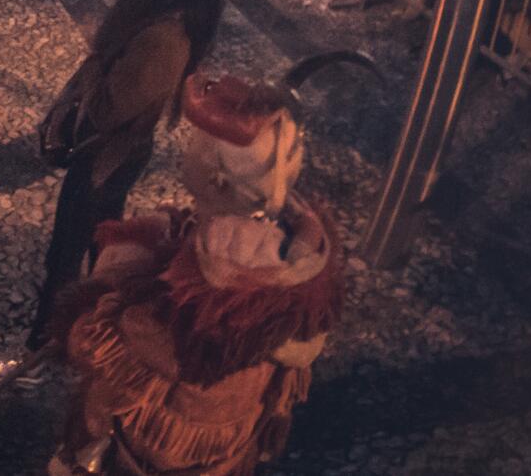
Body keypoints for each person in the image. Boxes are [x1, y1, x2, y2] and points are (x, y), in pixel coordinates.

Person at [0, 0, 238, 384]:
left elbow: (112, 107)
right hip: (111, 155)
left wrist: (76, 104)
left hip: (105, 159)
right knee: (93, 245)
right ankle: (90, 336)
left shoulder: (165, 40)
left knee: (66, 252)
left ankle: (39, 355)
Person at [47, 55, 369, 475]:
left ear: (216, 176)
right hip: (228, 448)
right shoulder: (295, 260)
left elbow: (107, 350)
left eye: (194, 148)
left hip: (160, 450)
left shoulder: (203, 296)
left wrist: (123, 260)